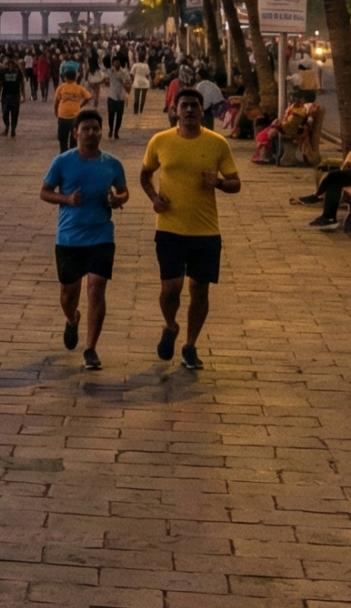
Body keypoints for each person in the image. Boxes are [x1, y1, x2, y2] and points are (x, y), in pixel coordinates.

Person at [139, 90, 240, 372]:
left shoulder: (217, 143)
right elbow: (145, 174)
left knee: (200, 290)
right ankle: (170, 326)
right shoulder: (160, 141)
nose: (190, 110)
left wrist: (218, 182)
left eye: (195, 106)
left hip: (206, 231)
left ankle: (190, 345)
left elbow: (236, 183)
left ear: (201, 109)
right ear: (175, 110)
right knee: (171, 288)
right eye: (184, 106)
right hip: (170, 228)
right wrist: (154, 198)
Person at [42, 110, 130, 371]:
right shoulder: (63, 162)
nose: (91, 133)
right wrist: (67, 199)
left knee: (96, 287)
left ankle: (91, 347)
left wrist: (119, 199)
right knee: (69, 294)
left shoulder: (112, 163)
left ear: (102, 132)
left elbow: (124, 191)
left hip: (101, 234)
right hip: (69, 236)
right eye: (86, 129)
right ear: (75, 132)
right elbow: (45, 192)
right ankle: (72, 319)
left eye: (95, 129)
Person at [53, 66, 91, 152]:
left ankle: (63, 156)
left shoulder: (61, 87)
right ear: (75, 78)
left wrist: (56, 113)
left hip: (62, 116)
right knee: (74, 141)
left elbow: (56, 102)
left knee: (62, 140)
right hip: (75, 117)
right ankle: (72, 156)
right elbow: (88, 97)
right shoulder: (79, 88)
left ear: (65, 77)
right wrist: (81, 105)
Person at [0, 55, 26, 138]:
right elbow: (0, 85)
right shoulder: (3, 71)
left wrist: (22, 95)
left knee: (15, 115)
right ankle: (7, 126)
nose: (10, 64)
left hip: (15, 96)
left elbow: (22, 84)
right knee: (5, 113)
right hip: (5, 96)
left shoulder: (18, 71)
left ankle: (13, 130)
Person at [104, 58, 128, 139]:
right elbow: (105, 80)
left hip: (121, 97)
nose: (116, 63)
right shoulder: (110, 71)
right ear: (113, 63)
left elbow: (127, 83)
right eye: (115, 62)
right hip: (111, 96)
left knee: (119, 116)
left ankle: (116, 132)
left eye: (118, 62)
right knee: (111, 115)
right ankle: (111, 129)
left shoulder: (124, 72)